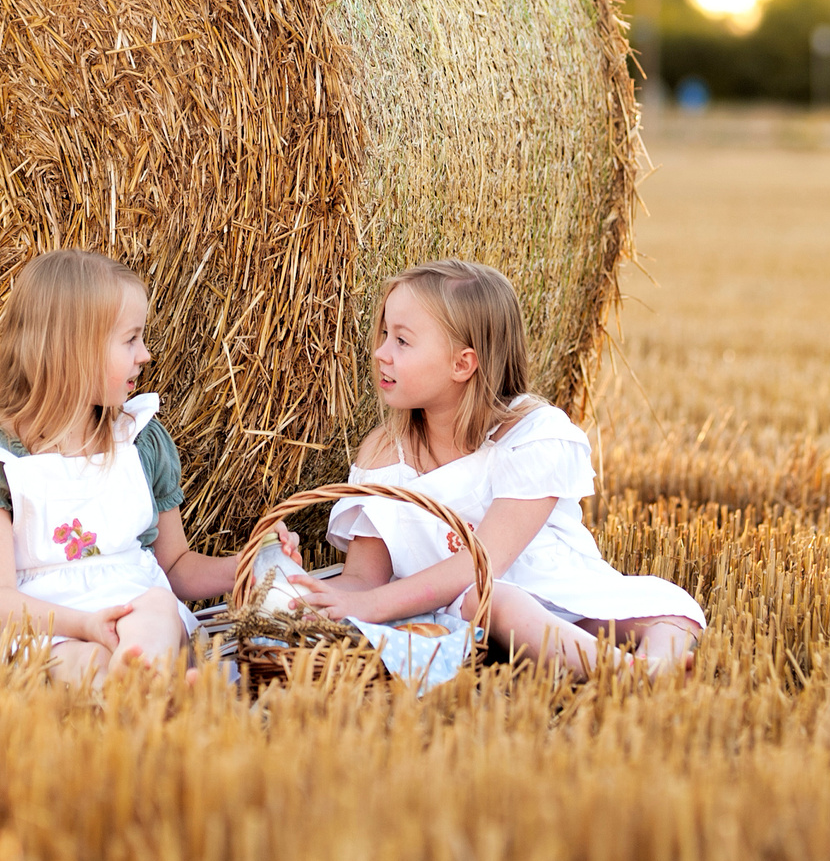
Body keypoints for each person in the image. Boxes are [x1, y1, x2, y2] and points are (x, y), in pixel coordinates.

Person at [291, 259, 703, 677]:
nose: (380, 353)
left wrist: (369, 606)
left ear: (462, 364)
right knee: (495, 601)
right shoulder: (382, 454)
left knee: (669, 607)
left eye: (401, 341)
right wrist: (299, 592)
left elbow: (481, 562)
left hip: (568, 596)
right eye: (384, 335)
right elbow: (364, 581)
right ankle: (622, 672)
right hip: (485, 611)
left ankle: (653, 667)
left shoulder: (531, 435)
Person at [0, 248, 293, 684]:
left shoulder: (138, 441)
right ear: (73, 349)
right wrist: (86, 627)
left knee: (157, 604)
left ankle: (144, 682)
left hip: (133, 617)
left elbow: (175, 568)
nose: (146, 354)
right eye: (131, 339)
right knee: (82, 660)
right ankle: (134, 692)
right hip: (40, 628)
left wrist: (249, 563)